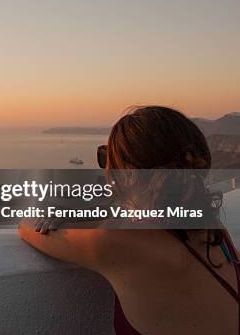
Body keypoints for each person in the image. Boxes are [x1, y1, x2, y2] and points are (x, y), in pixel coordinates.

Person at [19, 106, 239, 334]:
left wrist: (60, 212)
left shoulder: (121, 242)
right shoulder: (214, 231)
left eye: (106, 158)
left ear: (131, 173)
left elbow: (27, 225)